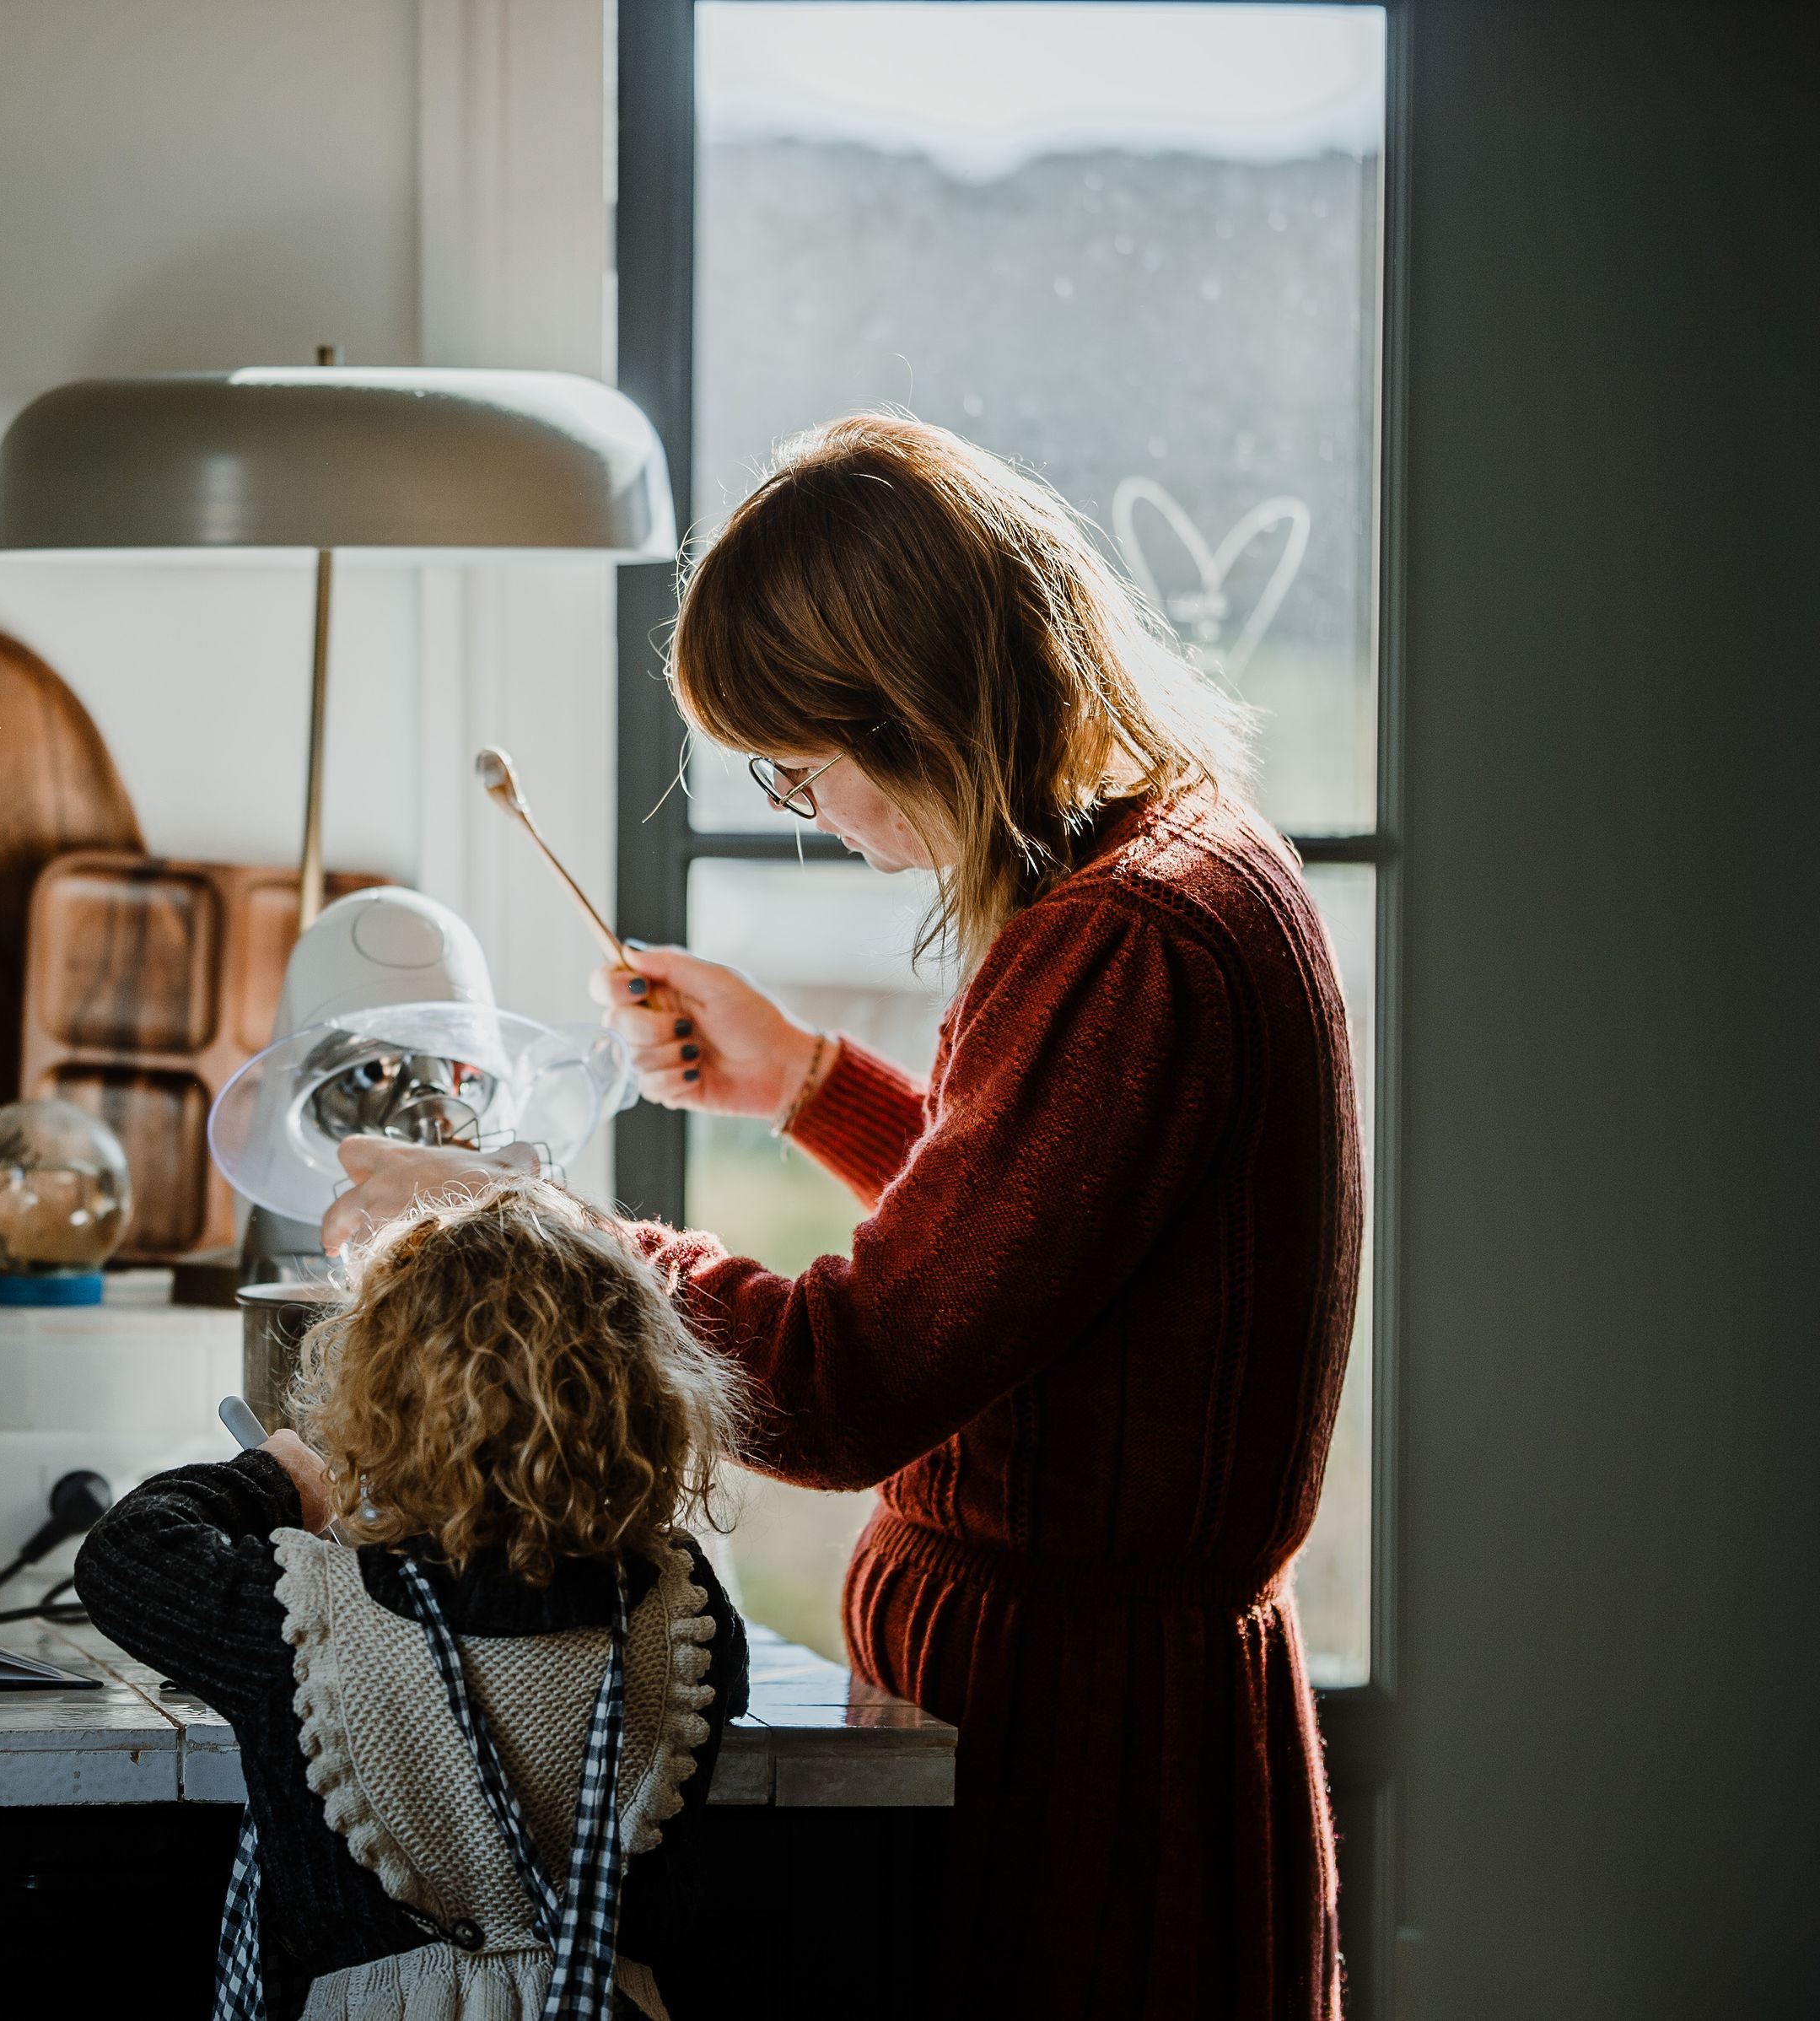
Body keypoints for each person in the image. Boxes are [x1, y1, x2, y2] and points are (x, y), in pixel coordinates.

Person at [322, 414, 1361, 2019]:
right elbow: (1059, 1249)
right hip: (1080, 1706)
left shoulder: (1129, 940)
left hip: (1081, 1755)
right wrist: (812, 1083)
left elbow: (846, 1381)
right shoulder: (1184, 874)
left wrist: (537, 1234)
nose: (808, 812)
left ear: (920, 713)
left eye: (801, 770)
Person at [73, 1180, 752, 2020]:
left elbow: (124, 1554)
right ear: (643, 1400)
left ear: (379, 1400)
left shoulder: (301, 1622)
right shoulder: (688, 1611)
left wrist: (276, 1480)